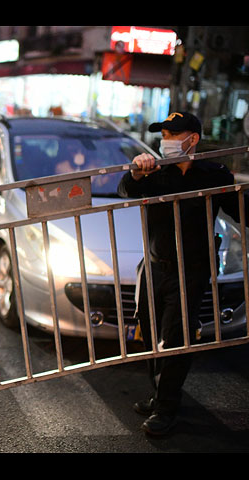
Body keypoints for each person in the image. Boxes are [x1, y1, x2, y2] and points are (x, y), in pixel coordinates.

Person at [117, 111, 246, 436]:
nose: (167, 141)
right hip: (155, 266)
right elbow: (124, 191)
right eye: (164, 135)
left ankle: (166, 409)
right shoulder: (155, 172)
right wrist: (135, 171)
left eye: (174, 135)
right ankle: (159, 394)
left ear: (193, 139)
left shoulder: (213, 174)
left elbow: (239, 210)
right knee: (150, 335)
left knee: (176, 339)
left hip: (191, 270)